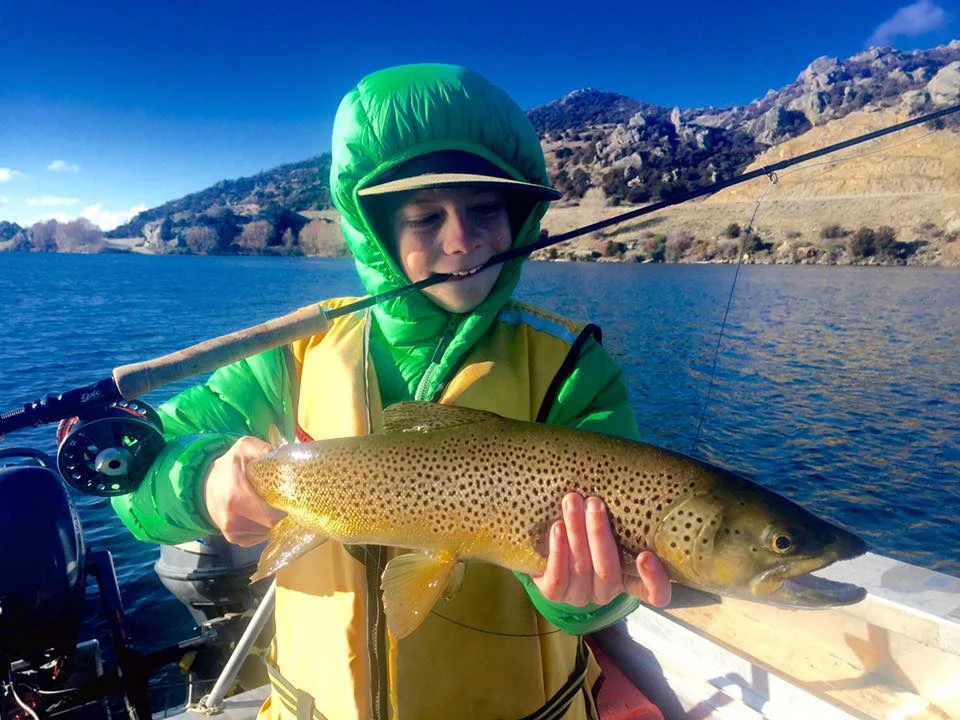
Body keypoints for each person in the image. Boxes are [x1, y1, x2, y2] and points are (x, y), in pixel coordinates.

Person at [112, 63, 671, 720]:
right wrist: (202, 480)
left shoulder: (574, 367)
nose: (461, 240)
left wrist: (585, 596)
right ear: (376, 230)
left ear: (518, 219)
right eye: (424, 216)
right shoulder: (294, 356)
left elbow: (605, 594)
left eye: (485, 209)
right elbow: (133, 474)